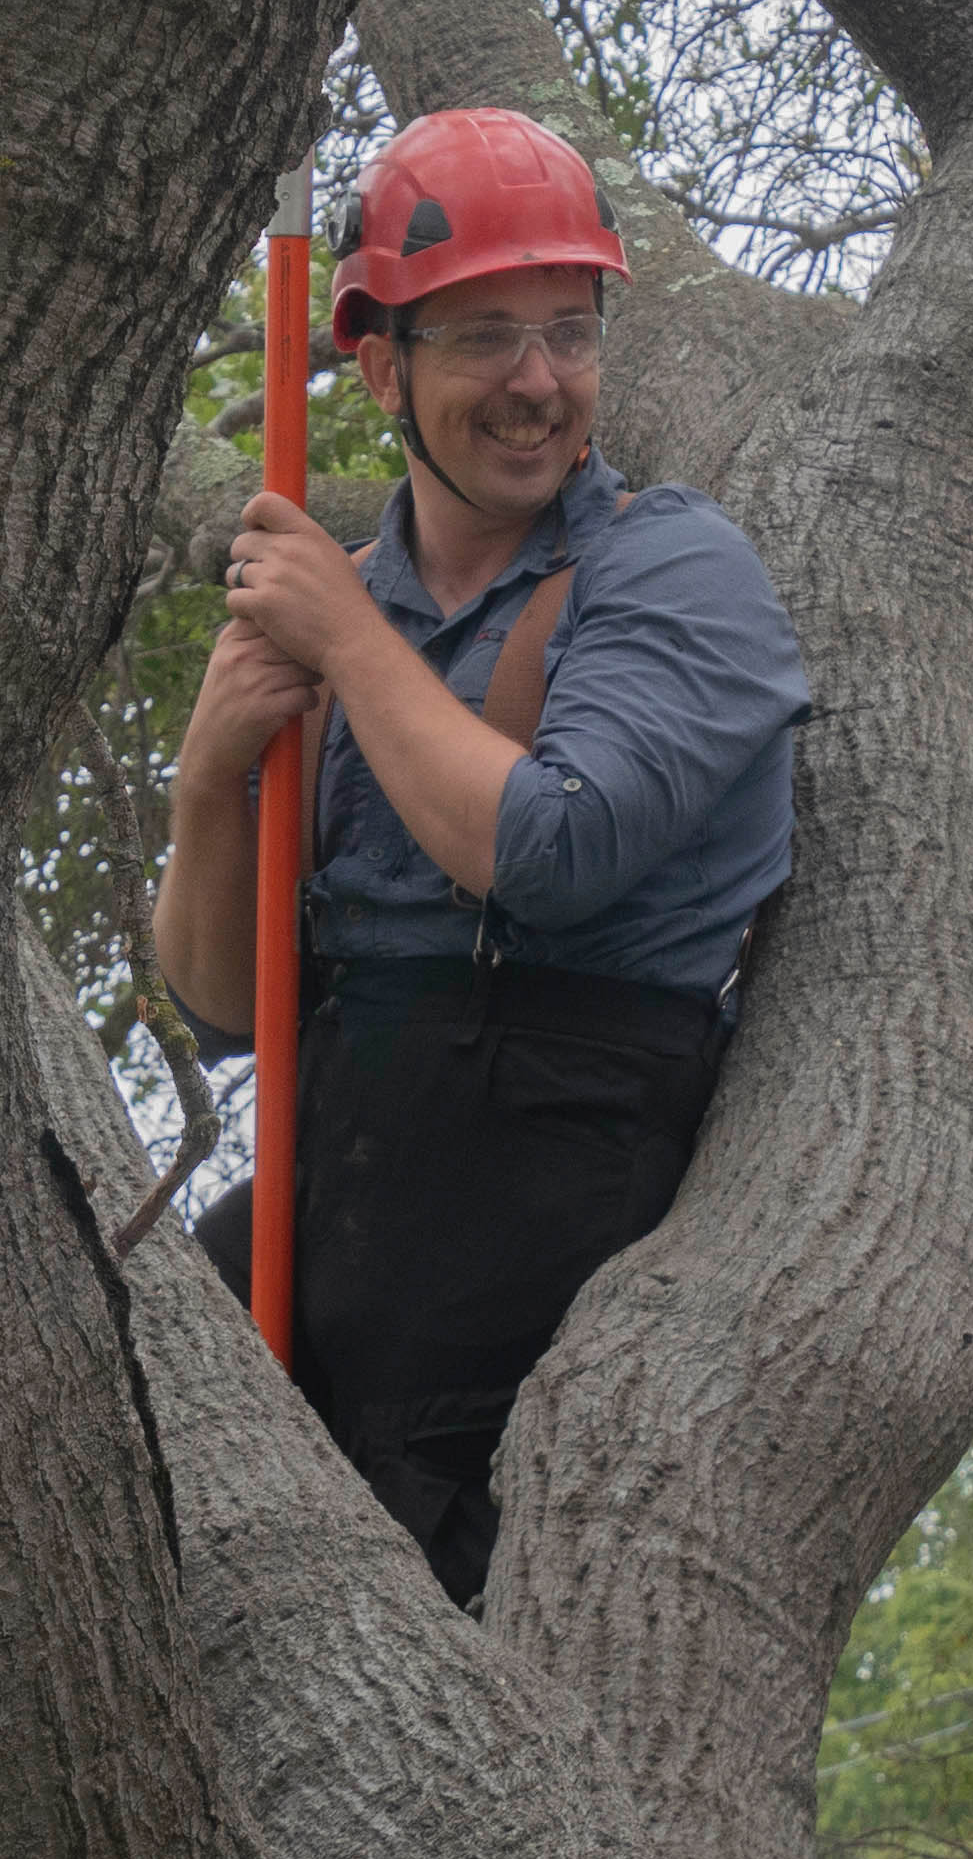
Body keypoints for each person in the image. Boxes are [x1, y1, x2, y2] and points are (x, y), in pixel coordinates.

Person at [152, 106, 809, 1607]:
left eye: (568, 334)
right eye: (484, 338)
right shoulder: (340, 601)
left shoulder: (671, 566)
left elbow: (554, 849)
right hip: (317, 1283)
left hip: (538, 1309)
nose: (538, 383)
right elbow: (222, 1004)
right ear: (381, 368)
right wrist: (208, 784)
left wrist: (345, 644)